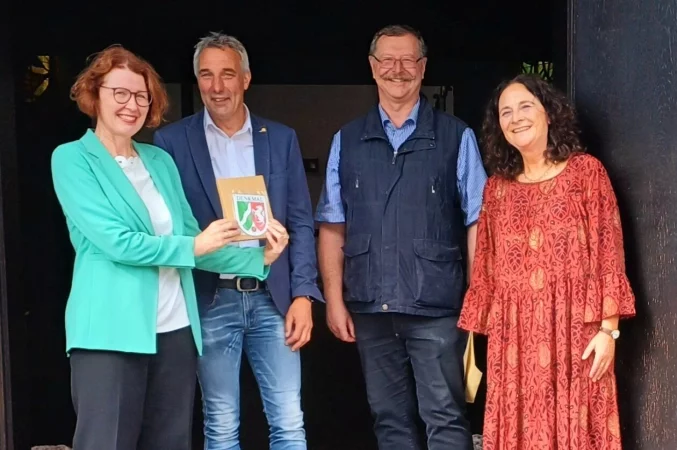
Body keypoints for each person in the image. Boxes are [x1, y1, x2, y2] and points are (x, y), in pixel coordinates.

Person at [51, 45, 289, 450]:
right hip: (110, 332)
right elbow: (117, 242)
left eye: (141, 96)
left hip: (175, 330)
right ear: (96, 94)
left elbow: (195, 240)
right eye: (120, 93)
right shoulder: (73, 159)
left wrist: (257, 257)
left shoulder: (158, 160)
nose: (132, 105)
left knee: (170, 442)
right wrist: (195, 245)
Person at [316, 24, 487, 450]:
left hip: (437, 305)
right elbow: (333, 225)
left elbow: (478, 222)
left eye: (408, 59)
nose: (398, 69)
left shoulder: (456, 136)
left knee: (445, 417)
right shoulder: (347, 139)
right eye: (387, 60)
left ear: (423, 68)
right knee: (389, 419)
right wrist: (334, 300)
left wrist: (478, 293)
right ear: (373, 69)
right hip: (370, 306)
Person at [153, 32, 322, 450]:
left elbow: (301, 221)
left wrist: (303, 294)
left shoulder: (279, 138)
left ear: (245, 79)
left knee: (288, 422)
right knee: (221, 424)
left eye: (227, 74)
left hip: (273, 297)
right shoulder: (171, 143)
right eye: (206, 75)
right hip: (211, 297)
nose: (216, 86)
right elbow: (169, 227)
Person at [458, 73, 637, 450]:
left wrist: (609, 331)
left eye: (525, 106)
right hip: (515, 342)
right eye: (505, 112)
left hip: (577, 333)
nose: (515, 117)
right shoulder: (497, 189)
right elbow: (486, 268)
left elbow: (608, 252)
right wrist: (480, 340)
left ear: (549, 114)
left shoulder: (586, 173)